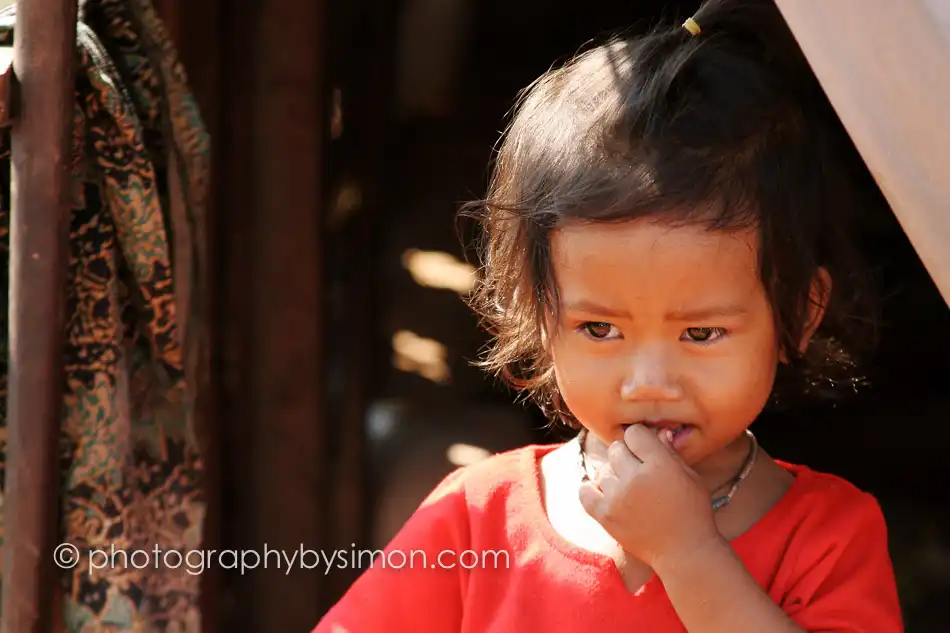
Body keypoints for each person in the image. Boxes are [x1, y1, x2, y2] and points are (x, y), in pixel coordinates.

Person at [313, 0, 904, 630]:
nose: (647, 380)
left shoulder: (827, 537)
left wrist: (687, 552)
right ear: (540, 312)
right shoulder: (478, 514)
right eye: (600, 329)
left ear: (800, 313)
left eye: (700, 332)